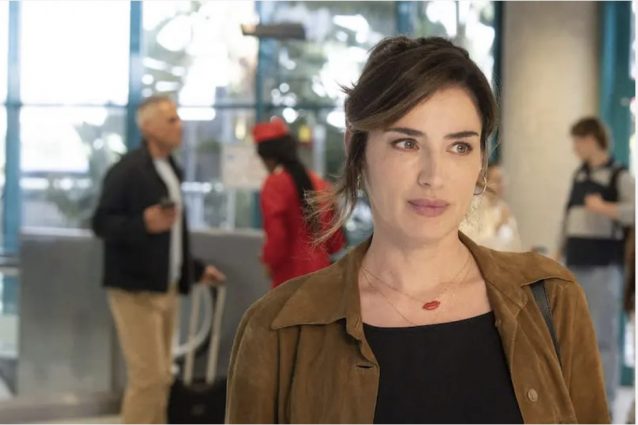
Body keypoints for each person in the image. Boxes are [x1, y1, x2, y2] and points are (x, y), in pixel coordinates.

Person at [226, 36, 608, 424]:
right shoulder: (278, 329)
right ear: (357, 148)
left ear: (480, 161)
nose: (434, 177)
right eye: (407, 143)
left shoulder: (550, 299)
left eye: (459, 147)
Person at [92, 95, 226, 424]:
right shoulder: (127, 170)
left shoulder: (169, 170)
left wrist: (194, 269)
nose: (180, 125)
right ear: (148, 127)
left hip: (165, 287)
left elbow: (173, 236)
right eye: (171, 120)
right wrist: (142, 224)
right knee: (149, 378)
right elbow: (101, 223)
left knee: (163, 375)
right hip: (135, 290)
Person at [556, 117, 635, 409]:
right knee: (575, 336)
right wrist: (557, 254)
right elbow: (567, 219)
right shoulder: (579, 175)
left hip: (604, 267)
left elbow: (634, 211)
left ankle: (605, 404)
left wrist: (605, 208)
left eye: (577, 141)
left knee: (603, 338)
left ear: (591, 139)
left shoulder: (619, 176)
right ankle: (579, 401)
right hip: (575, 264)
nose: (574, 148)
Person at [252, 118, 346, 288]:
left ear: (267, 158)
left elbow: (276, 237)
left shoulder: (274, 184)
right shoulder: (319, 182)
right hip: (322, 275)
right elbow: (336, 241)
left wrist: (269, 260)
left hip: (289, 278)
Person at [460, 163, 523, 251]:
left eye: (503, 180)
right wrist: (499, 226)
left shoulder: (504, 208)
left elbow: (516, 243)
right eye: (497, 181)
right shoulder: (473, 207)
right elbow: (473, 241)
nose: (501, 185)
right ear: (484, 182)